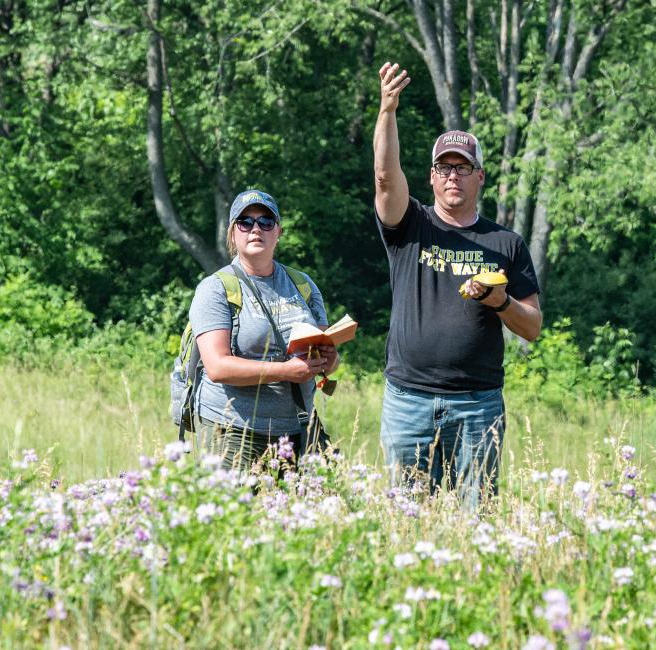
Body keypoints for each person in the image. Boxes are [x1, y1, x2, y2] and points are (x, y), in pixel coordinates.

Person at [373, 61, 543, 509]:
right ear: (430, 177)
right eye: (443, 167)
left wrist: (501, 300)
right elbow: (386, 179)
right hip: (408, 400)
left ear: (479, 176)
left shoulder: (505, 243)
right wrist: (387, 111)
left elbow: (531, 326)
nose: (453, 175)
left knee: (477, 520)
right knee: (404, 522)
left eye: (463, 168)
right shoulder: (410, 225)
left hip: (477, 404)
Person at [188, 189, 339, 470]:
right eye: (245, 222)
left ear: (278, 231)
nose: (256, 229)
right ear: (233, 234)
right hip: (233, 432)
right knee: (237, 514)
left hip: (299, 426)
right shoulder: (216, 289)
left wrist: (328, 361)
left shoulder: (302, 284)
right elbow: (217, 367)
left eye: (266, 222)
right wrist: (286, 372)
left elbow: (325, 352)